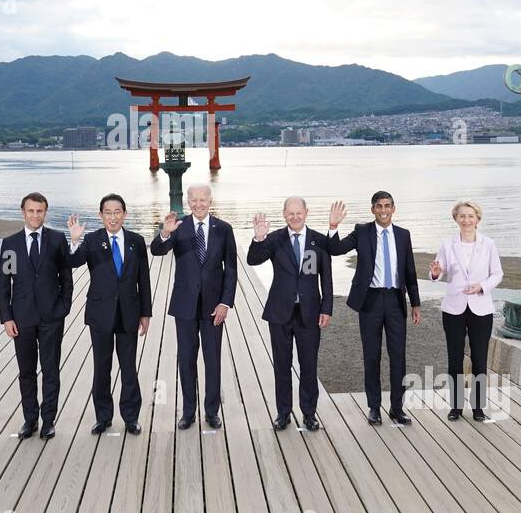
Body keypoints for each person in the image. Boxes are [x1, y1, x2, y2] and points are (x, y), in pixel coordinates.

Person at [326, 191, 421, 426]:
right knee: (372, 355)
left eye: (388, 206)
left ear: (394, 208)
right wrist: (333, 225)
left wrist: (415, 303)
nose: (383, 210)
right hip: (370, 300)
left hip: (396, 301)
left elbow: (409, 272)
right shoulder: (362, 232)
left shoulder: (403, 235)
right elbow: (335, 249)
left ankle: (397, 408)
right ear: (373, 210)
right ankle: (374, 408)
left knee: (398, 356)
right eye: (379, 206)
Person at [151, 184, 237, 429]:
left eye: (203, 199)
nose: (198, 204)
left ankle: (211, 412)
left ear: (211, 200)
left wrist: (225, 302)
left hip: (213, 307)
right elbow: (157, 251)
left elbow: (230, 270)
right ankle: (188, 411)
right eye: (194, 200)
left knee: (212, 359)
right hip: (185, 305)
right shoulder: (178, 227)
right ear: (188, 202)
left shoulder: (224, 229)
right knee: (186, 359)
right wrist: (165, 234)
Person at [246, 197, 333, 431]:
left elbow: (326, 278)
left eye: (299, 213)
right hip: (280, 313)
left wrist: (327, 308)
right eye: (290, 213)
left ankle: (309, 414)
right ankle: (283, 413)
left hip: (310, 313)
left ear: (307, 212)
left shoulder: (319, 240)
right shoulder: (275, 239)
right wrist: (258, 238)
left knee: (309, 365)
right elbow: (253, 260)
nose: (295, 217)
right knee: (282, 366)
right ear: (284, 214)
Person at [68, 194, 151, 435]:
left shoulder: (136, 240)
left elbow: (143, 281)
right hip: (100, 314)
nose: (113, 217)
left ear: (125, 214)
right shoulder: (92, 240)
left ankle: (131, 417)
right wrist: (74, 241)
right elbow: (75, 261)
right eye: (108, 212)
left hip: (129, 313)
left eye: (117, 212)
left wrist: (145, 313)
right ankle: (103, 417)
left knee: (128, 367)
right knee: (101, 367)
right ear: (100, 215)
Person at [0, 193, 74, 440]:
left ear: (45, 212)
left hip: (52, 317)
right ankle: (30, 420)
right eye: (30, 211)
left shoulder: (57, 239)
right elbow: (4, 285)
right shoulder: (10, 244)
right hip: (22, 319)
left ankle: (49, 421)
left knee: (50, 369)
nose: (35, 215)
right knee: (26, 371)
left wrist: (63, 308)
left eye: (39, 211)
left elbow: (66, 277)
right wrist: (7, 318)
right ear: (23, 212)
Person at [429, 200, 503, 422]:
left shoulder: (489, 244)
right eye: (462, 216)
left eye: (471, 216)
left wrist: (482, 286)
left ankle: (478, 407)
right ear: (456, 219)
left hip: (481, 307)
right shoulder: (447, 244)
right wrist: (435, 273)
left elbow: (497, 274)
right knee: (454, 358)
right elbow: (437, 272)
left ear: (478, 219)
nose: (466, 220)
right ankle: (456, 406)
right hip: (454, 307)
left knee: (480, 358)